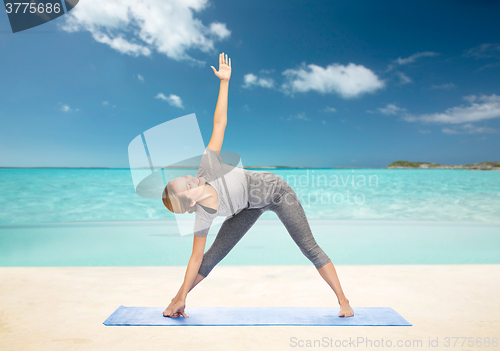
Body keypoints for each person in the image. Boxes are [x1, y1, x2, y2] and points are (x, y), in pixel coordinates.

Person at [162, 52, 354, 319]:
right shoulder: (202, 217)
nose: (191, 178)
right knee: (211, 258)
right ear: (191, 202)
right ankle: (177, 299)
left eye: (184, 177)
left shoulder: (208, 166)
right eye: (186, 185)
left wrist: (225, 83)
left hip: (276, 192)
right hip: (246, 209)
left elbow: (220, 123)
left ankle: (344, 301)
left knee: (308, 246)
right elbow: (196, 259)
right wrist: (181, 296)